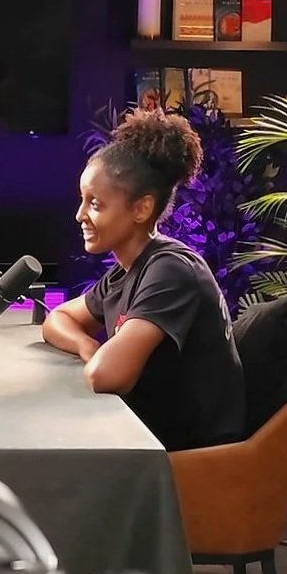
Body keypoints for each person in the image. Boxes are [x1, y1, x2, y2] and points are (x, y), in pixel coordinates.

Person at [41, 108, 246, 451]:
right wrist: (86, 345)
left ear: (141, 209)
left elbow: (107, 376)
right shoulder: (126, 271)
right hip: (148, 439)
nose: (80, 215)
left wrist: (96, 356)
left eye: (95, 204)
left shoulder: (171, 271)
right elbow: (57, 319)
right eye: (83, 201)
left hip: (190, 457)